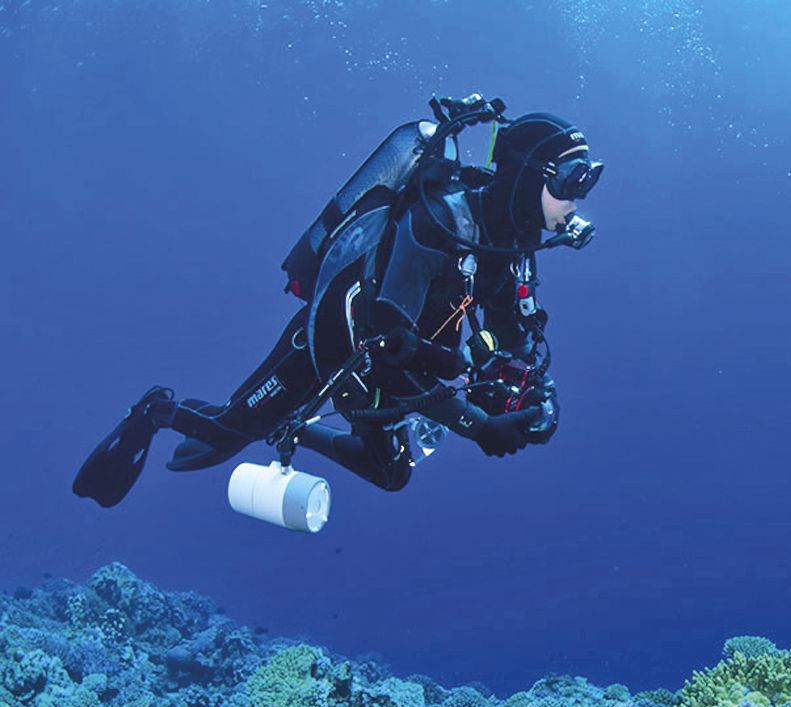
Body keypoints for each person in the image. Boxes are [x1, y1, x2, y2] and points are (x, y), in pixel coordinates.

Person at [73, 95, 602, 508]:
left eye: (584, 183)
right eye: (572, 182)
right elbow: (386, 354)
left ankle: (294, 429)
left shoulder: (505, 246)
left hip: (390, 369)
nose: (575, 202)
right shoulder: (438, 225)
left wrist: (533, 397)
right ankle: (156, 411)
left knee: (390, 476)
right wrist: (477, 425)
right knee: (223, 434)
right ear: (530, 177)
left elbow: (512, 336)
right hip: (330, 347)